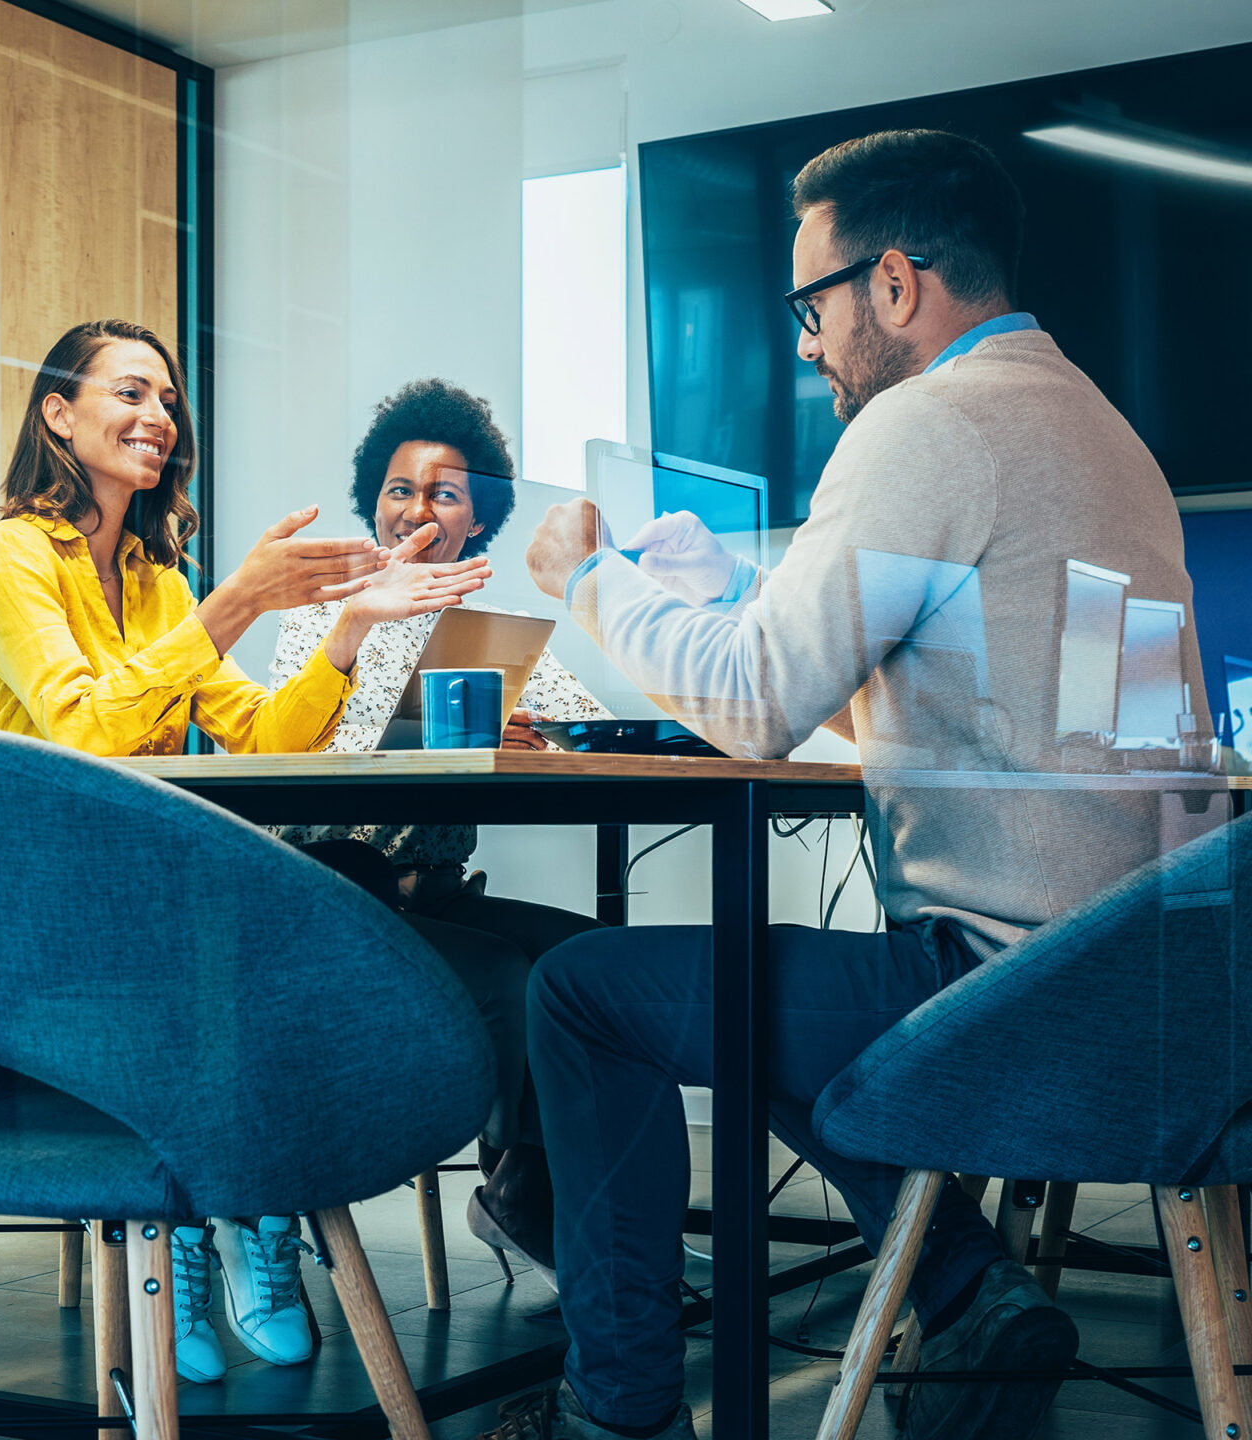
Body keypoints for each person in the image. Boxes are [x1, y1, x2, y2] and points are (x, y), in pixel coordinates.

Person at [495, 129, 1211, 1440]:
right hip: (1154, 1000)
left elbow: (761, 706)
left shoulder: (925, 425)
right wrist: (738, 598)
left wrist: (588, 582)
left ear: (892, 283)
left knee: (587, 994)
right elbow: (1059, 706)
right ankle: (967, 1286)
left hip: (1007, 1003)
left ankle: (614, 1413)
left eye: (808, 303)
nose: (808, 341)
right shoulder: (1103, 440)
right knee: (758, 978)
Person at [0, 317, 490, 1385]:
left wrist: (343, 631)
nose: (158, 418)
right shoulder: (9, 555)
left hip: (145, 887)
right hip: (44, 904)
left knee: (325, 895)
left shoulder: (155, 578)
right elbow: (81, 730)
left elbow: (261, 734)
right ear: (57, 414)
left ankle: (234, 1211)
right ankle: (223, 1212)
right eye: (129, 394)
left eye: (167, 401)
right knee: (270, 926)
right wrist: (239, 598)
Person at [269, 377, 612, 1290]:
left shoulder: (485, 632)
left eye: (444, 492)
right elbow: (317, 748)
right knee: (509, 979)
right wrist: (448, 728)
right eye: (399, 489)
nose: (418, 508)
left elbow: (573, 733)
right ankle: (516, 1191)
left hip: (440, 898)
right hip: (331, 897)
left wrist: (539, 729)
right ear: (371, 504)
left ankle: (547, 1196)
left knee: (594, 960)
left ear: (476, 522)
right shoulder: (322, 613)